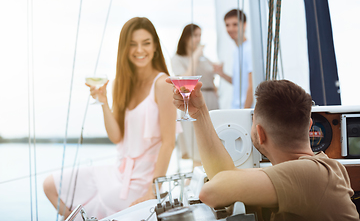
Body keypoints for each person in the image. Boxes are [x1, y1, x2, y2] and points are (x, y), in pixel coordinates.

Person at [43, 17, 178, 220]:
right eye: (132, 44)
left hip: (142, 180)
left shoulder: (163, 84)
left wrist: (152, 191)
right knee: (51, 185)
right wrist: (104, 102)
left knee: (91, 208)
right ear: (124, 48)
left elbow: (169, 143)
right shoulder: (120, 84)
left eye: (146, 43)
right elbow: (116, 137)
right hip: (117, 171)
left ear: (155, 47)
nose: (140, 50)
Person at [167, 78, 359, 220]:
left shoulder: (312, 174)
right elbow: (224, 177)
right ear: (309, 125)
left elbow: (212, 191)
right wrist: (199, 112)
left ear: (259, 133)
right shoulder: (320, 170)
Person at [171, 23, 219, 168]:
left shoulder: (204, 58)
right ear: (186, 38)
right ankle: (194, 177)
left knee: (213, 141)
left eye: (200, 35)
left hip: (211, 100)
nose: (198, 39)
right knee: (196, 143)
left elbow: (214, 74)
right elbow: (184, 80)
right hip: (191, 100)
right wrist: (195, 56)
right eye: (195, 35)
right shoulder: (178, 58)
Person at [213, 9, 253, 109]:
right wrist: (221, 74)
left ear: (244, 25)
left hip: (247, 109)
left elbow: (252, 86)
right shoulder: (237, 51)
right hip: (237, 108)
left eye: (235, 24)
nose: (230, 28)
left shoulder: (249, 50)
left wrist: (245, 113)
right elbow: (239, 82)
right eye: (227, 25)